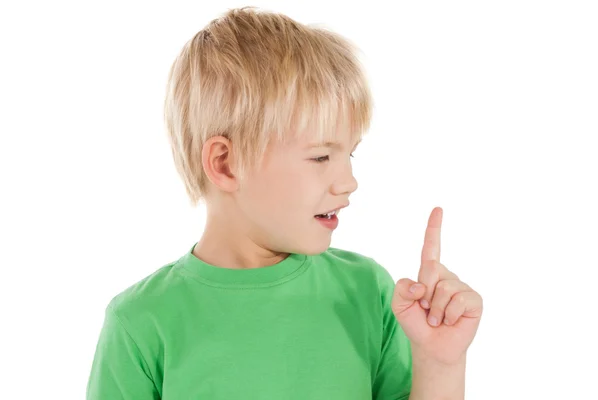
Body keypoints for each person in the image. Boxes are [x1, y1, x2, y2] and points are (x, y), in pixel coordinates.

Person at [86, 6, 483, 399]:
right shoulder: (141, 323)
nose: (348, 182)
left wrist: (440, 365)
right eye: (320, 157)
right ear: (226, 163)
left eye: (350, 155)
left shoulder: (367, 292)